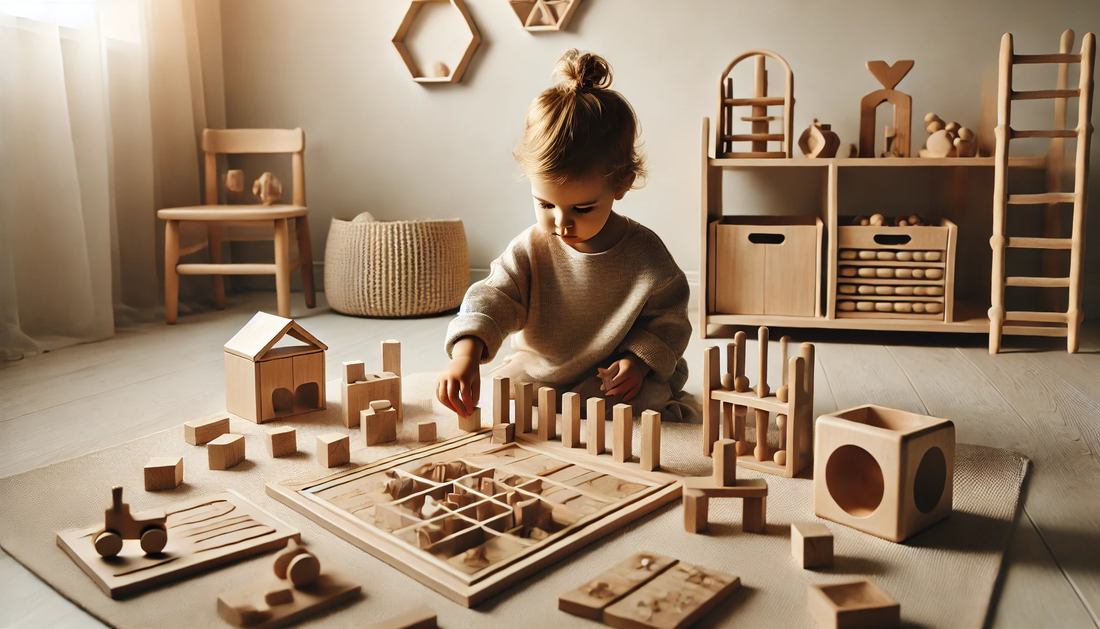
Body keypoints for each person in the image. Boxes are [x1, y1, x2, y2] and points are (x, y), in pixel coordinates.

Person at [437, 49, 691, 422]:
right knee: (503, 389)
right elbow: (493, 298)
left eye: (582, 208)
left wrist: (636, 363)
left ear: (622, 184)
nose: (561, 223)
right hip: (544, 370)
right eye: (545, 204)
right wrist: (465, 356)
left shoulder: (646, 256)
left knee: (644, 401)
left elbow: (668, 320)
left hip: (610, 377)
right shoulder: (530, 248)